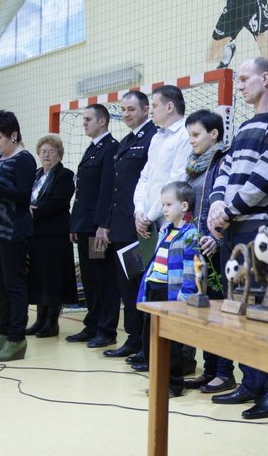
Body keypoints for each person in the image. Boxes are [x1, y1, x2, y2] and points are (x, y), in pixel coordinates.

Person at [207, 57, 268, 420]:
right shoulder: (244, 126)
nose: (239, 84)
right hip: (232, 228)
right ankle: (250, 383)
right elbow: (224, 172)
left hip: (259, 228)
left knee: (264, 311)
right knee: (239, 308)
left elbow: (262, 179)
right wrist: (215, 206)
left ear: (266, 78)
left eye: (244, 78)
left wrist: (226, 211)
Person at [130, 85, 192, 372]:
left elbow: (176, 181)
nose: (150, 110)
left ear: (169, 107)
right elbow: (145, 177)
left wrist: (153, 213)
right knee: (151, 286)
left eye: (154, 105)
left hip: (169, 221)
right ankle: (152, 353)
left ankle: (179, 361)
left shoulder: (183, 136)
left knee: (174, 290)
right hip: (149, 220)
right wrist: (139, 210)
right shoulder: (156, 138)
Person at [182, 109, 237, 395]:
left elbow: (225, 204)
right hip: (196, 246)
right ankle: (210, 368)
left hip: (217, 245)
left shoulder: (224, 161)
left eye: (196, 134)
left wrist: (217, 236)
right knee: (203, 310)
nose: (191, 141)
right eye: (189, 135)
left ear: (214, 134)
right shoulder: (193, 164)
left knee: (220, 309)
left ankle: (226, 373)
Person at [0, 110, 36, 362]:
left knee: (14, 285)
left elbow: (23, 197)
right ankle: (3, 333)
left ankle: (16, 339)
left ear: (14, 135)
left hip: (13, 230)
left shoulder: (24, 159)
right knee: (1, 285)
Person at [102, 92, 157, 359]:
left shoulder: (152, 139)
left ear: (147, 110)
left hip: (139, 230)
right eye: (122, 109)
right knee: (126, 286)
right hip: (121, 229)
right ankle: (133, 339)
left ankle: (144, 344)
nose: (126, 114)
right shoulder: (127, 141)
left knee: (138, 285)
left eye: (131, 109)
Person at [137, 181, 200, 398]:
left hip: (170, 293)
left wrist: (185, 295)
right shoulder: (165, 230)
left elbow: (192, 269)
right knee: (150, 337)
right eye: (163, 204)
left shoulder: (190, 234)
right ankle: (156, 378)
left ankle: (172, 384)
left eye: (168, 204)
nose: (164, 209)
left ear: (183, 206)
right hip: (153, 288)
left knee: (171, 343)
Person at [66, 104, 120, 348]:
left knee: (103, 277)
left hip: (97, 228)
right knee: (89, 278)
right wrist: (75, 224)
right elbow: (83, 193)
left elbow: (107, 190)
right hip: (85, 226)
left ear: (103, 121)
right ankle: (92, 324)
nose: (84, 123)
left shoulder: (110, 148)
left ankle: (106, 330)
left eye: (88, 119)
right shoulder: (92, 149)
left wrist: (102, 224)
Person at [25, 135, 78, 338]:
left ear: (59, 154)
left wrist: (32, 211)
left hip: (54, 234)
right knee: (39, 277)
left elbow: (59, 201)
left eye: (51, 151)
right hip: (36, 234)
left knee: (53, 279)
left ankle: (51, 323)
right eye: (43, 151)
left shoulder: (65, 175)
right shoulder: (36, 174)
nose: (47, 155)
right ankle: (39, 320)